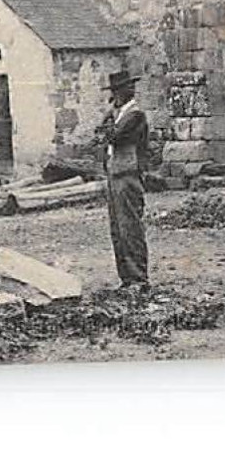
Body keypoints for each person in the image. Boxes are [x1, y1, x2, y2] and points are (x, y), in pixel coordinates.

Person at [96, 70, 150, 289]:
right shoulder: (117, 115)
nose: (116, 96)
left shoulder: (136, 116)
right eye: (114, 91)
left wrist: (107, 125)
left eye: (119, 91)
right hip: (114, 173)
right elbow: (100, 134)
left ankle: (139, 278)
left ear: (129, 91)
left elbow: (114, 136)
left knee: (130, 228)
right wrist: (107, 122)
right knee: (117, 230)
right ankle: (126, 278)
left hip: (128, 175)